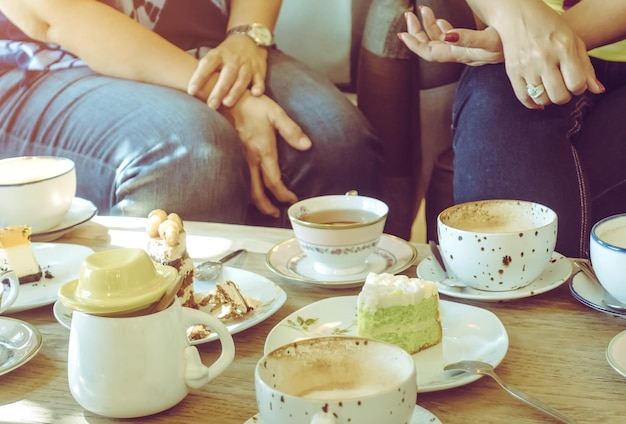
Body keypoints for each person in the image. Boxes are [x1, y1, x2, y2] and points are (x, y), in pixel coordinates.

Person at [0, 0, 382, 229]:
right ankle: (171, 343)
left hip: (209, 44)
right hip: (44, 63)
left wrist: (247, 36)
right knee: (191, 154)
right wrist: (227, 97)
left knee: (335, 142)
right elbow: (52, 15)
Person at [398, 0, 626, 258]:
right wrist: (509, 14)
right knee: (490, 114)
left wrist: (531, 38)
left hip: (525, 47)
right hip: (519, 52)